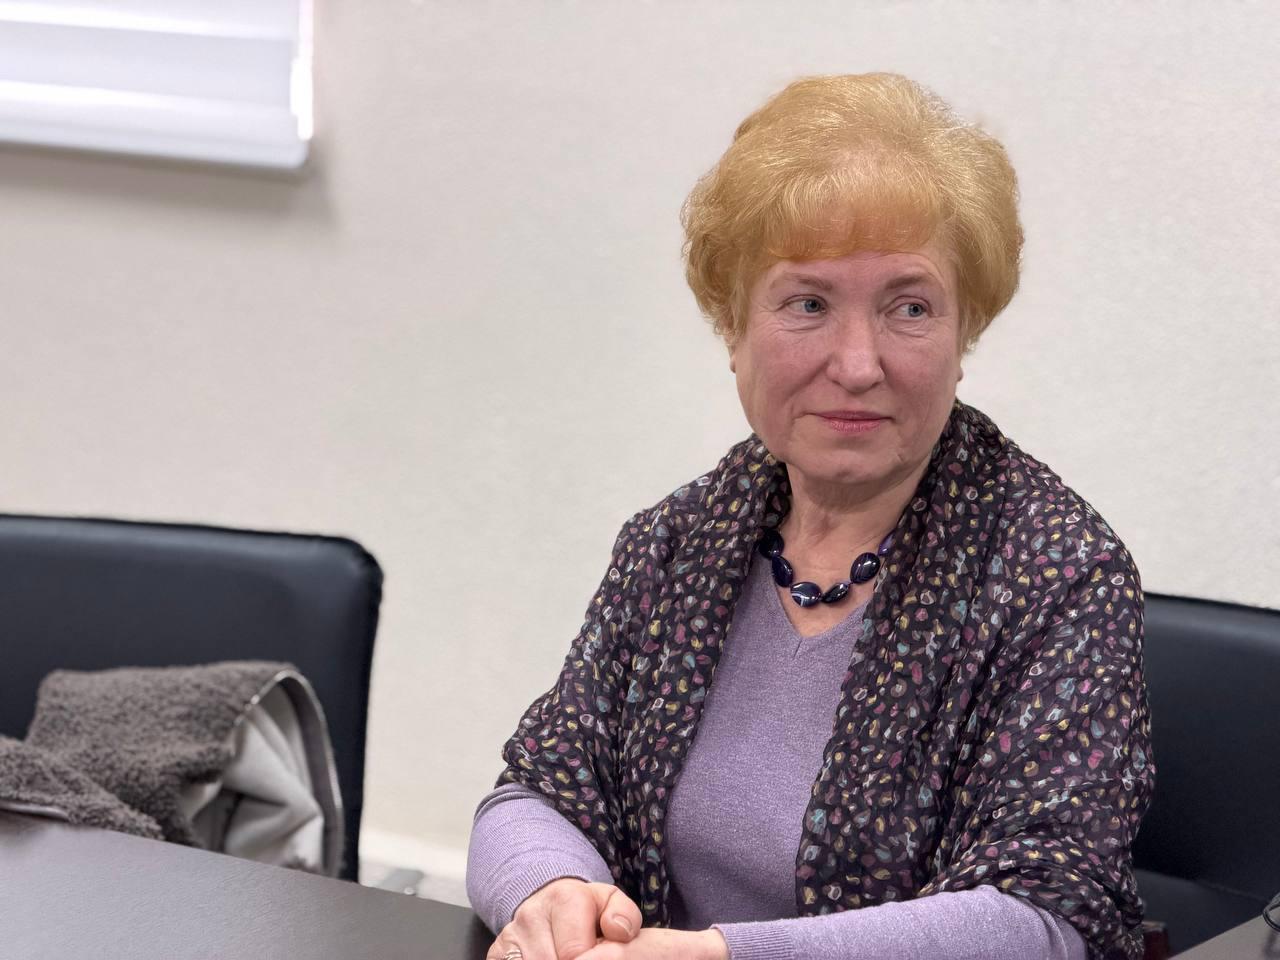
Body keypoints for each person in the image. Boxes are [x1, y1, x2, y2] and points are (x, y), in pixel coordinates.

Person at [467, 72, 1153, 960]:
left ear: (964, 333)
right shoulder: (679, 541)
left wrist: (723, 957)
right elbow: (538, 789)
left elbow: (1046, 916)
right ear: (733, 328)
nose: (858, 364)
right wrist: (550, 894)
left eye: (910, 307)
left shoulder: (1057, 573)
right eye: (809, 304)